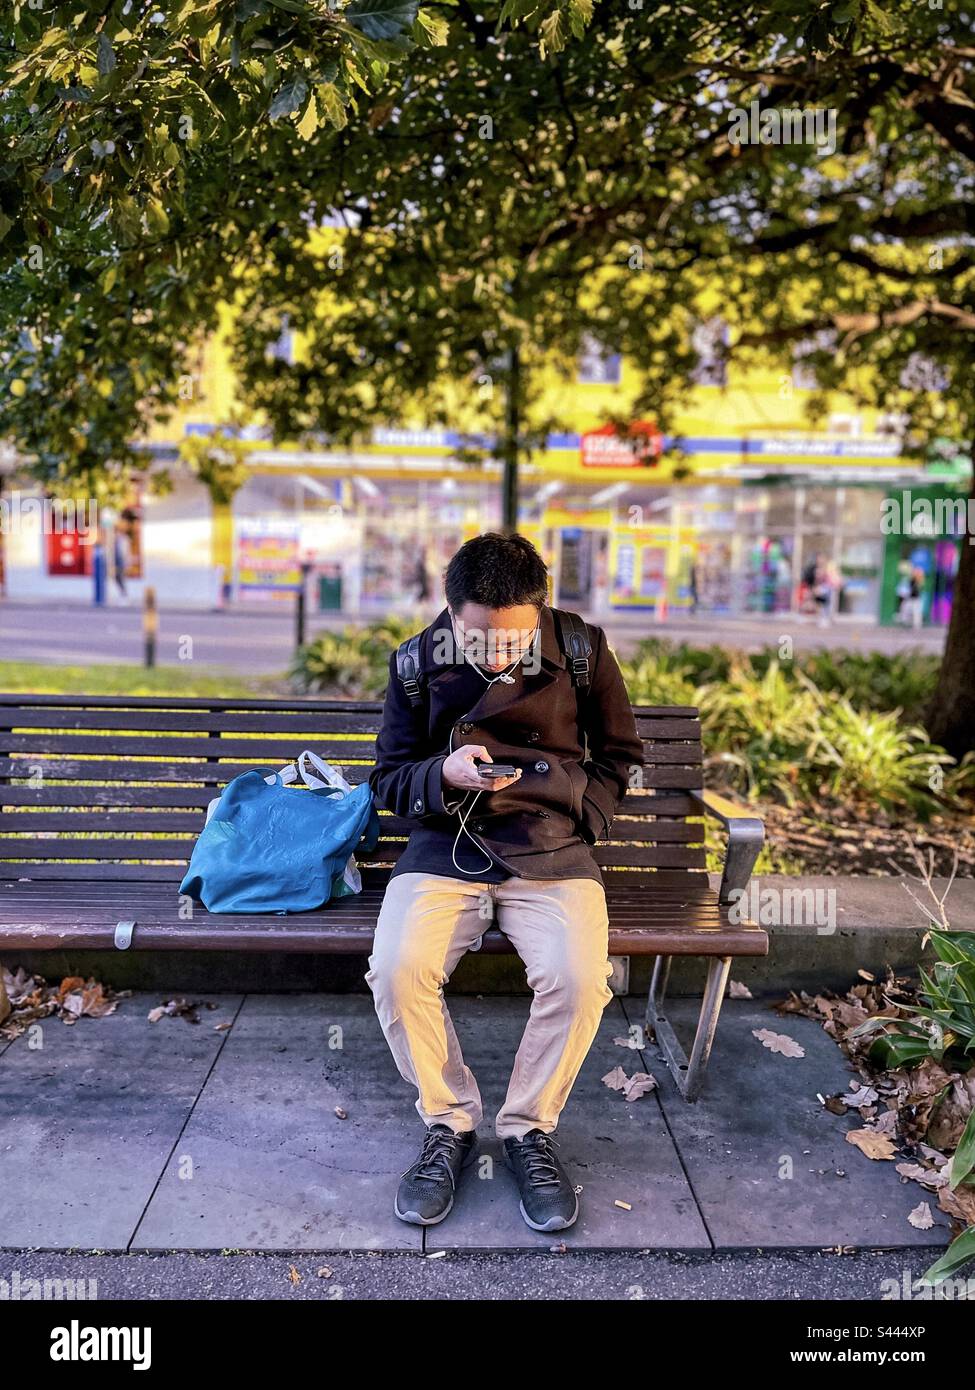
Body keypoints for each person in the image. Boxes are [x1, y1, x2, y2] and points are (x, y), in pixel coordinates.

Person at [365, 532, 645, 1233]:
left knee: (580, 980)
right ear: (451, 612)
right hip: (443, 844)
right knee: (396, 970)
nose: (496, 655)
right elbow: (388, 779)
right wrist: (441, 774)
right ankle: (450, 1123)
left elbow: (619, 757)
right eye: (479, 639)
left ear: (539, 613)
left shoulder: (582, 649)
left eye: (512, 641)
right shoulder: (412, 663)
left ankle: (526, 1130)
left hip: (550, 847)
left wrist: (582, 814)